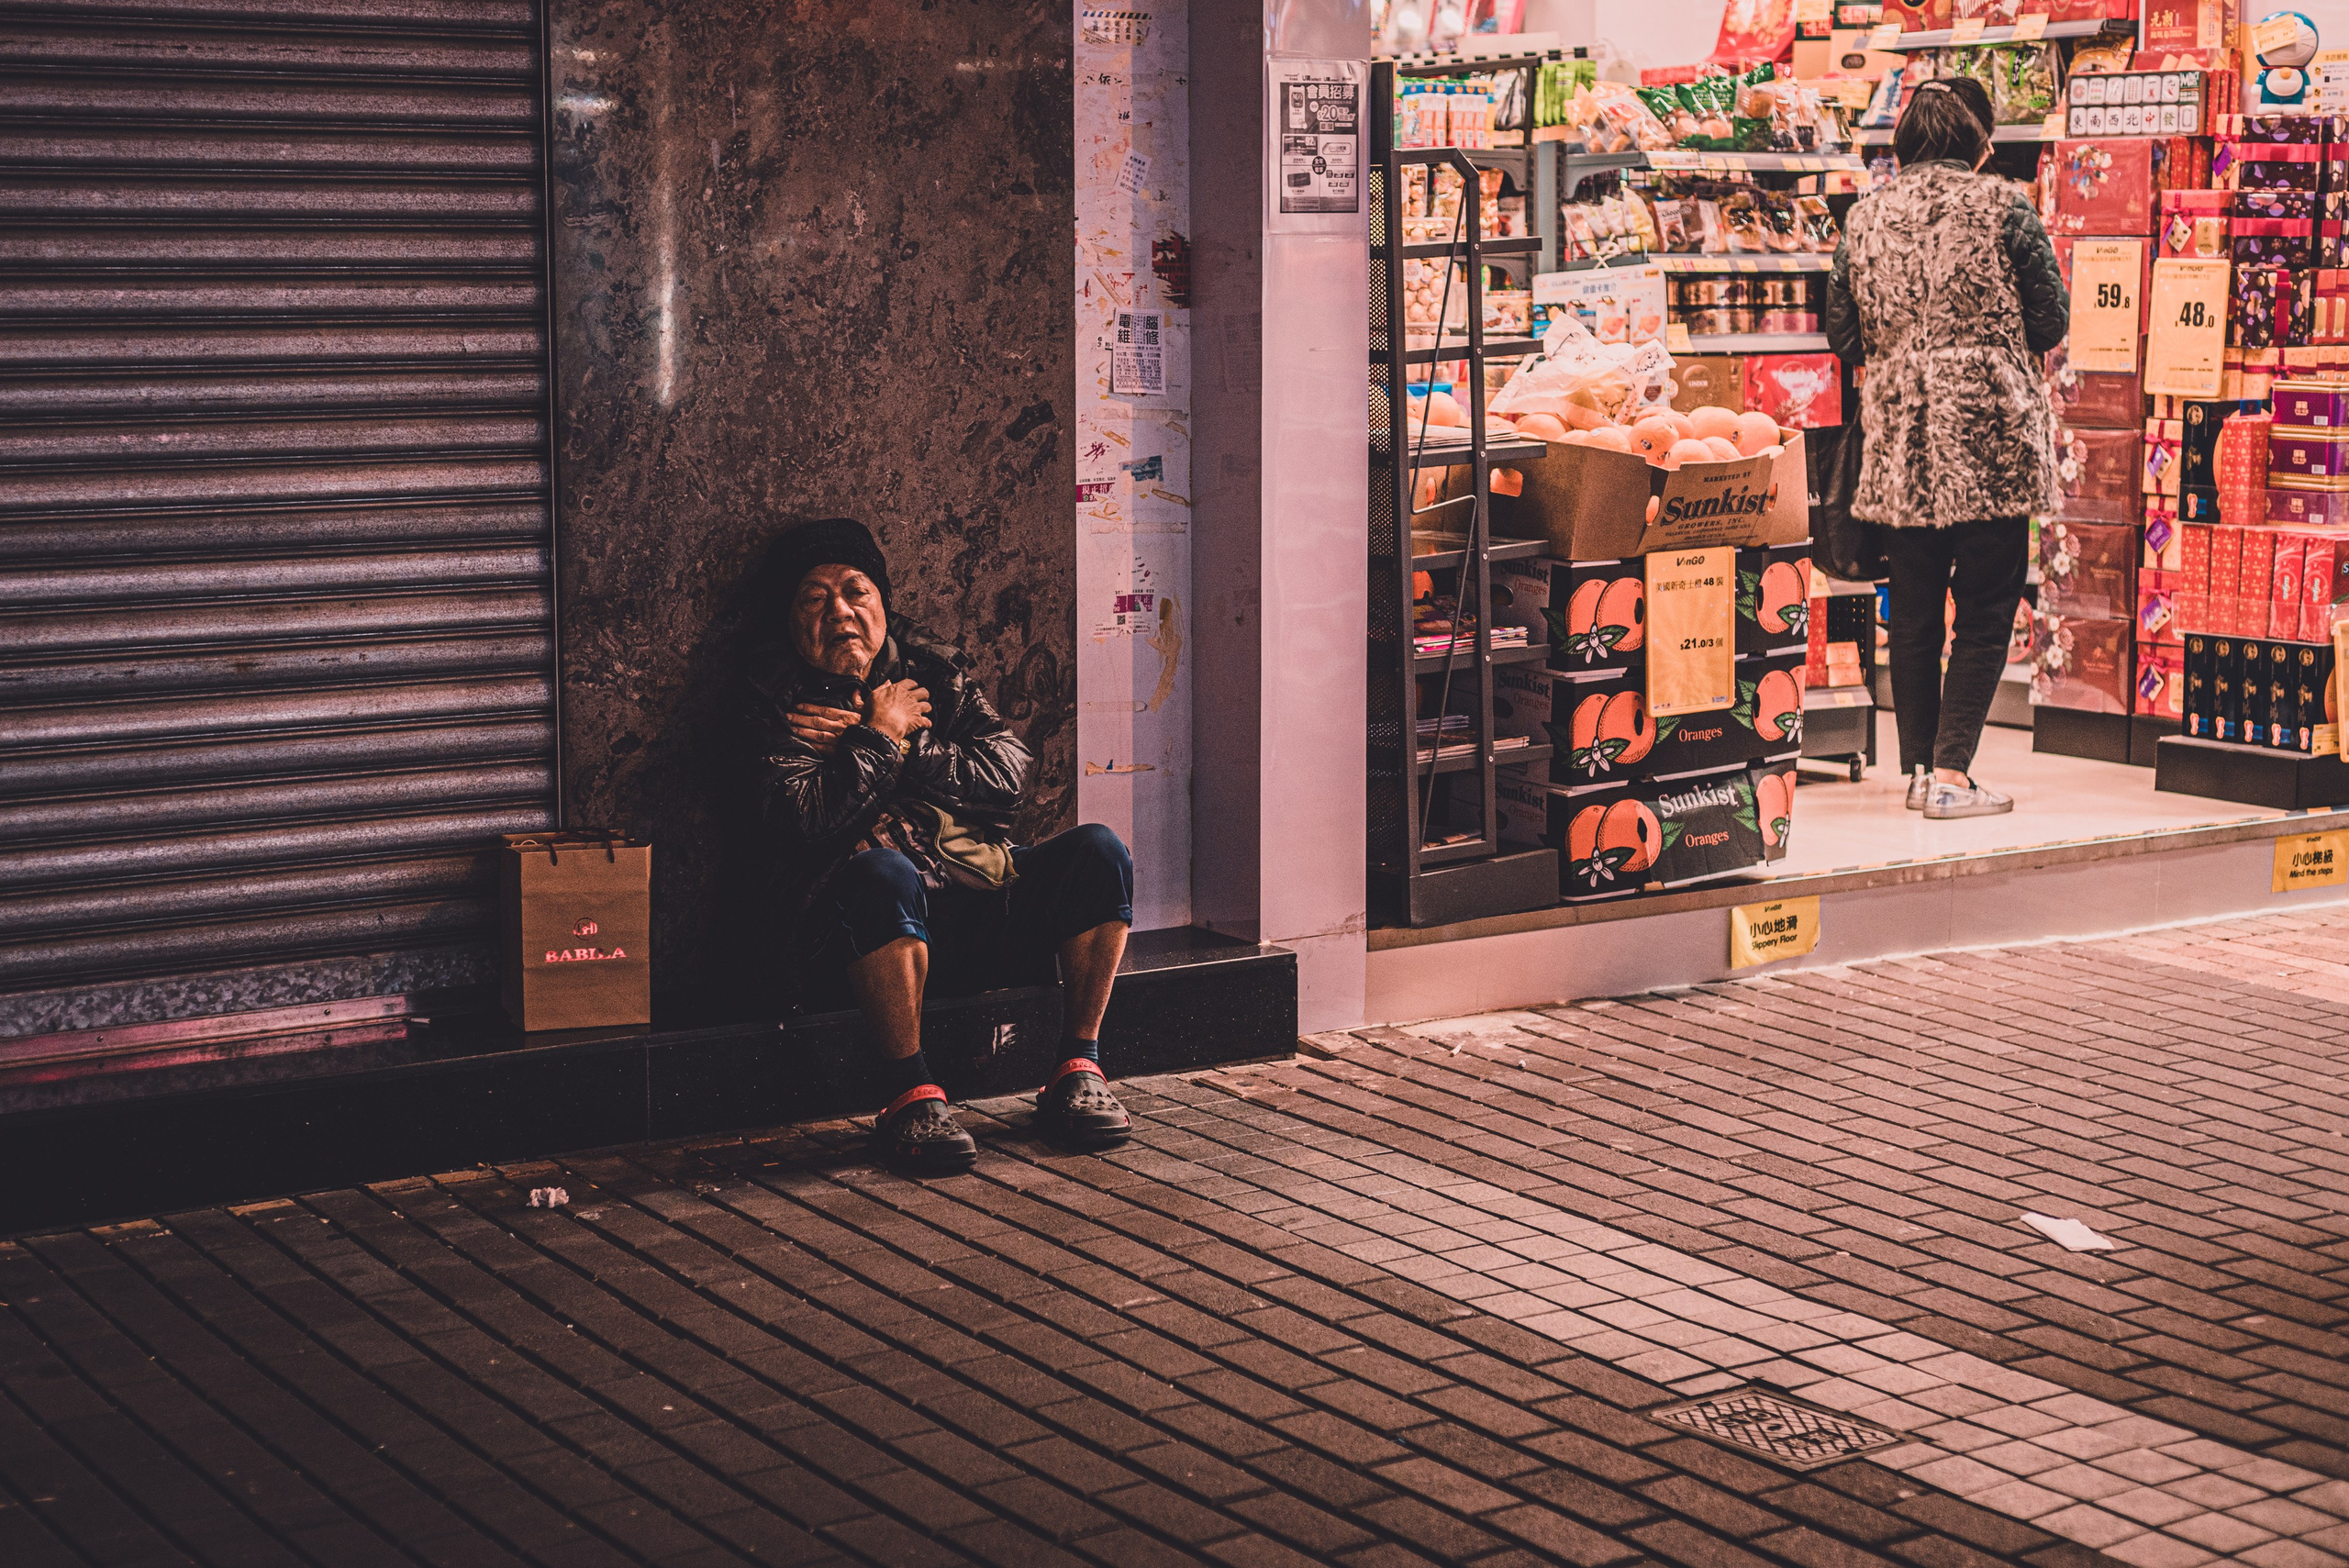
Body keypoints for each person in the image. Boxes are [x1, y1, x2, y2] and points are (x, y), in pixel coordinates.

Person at [745, 517, 1134, 1174]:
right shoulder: (773, 706)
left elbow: (1008, 774)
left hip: (971, 900)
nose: (840, 611)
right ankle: (909, 1091)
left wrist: (903, 740)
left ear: (882, 603)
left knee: (1099, 853)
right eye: (815, 598)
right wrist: (873, 739)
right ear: (790, 617)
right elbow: (807, 820)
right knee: (882, 875)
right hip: (858, 939)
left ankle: (1079, 1064)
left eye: (855, 592)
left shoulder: (932, 674)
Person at [1824, 75, 2067, 820]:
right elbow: (2051, 317)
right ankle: (1955, 775)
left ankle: (1919, 770)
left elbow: (1842, 334)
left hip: (1900, 433)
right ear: (1975, 142)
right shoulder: (2005, 206)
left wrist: (1903, 356)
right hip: (1990, 427)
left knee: (1918, 609)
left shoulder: (1864, 218)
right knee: (1989, 604)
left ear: (1903, 145)